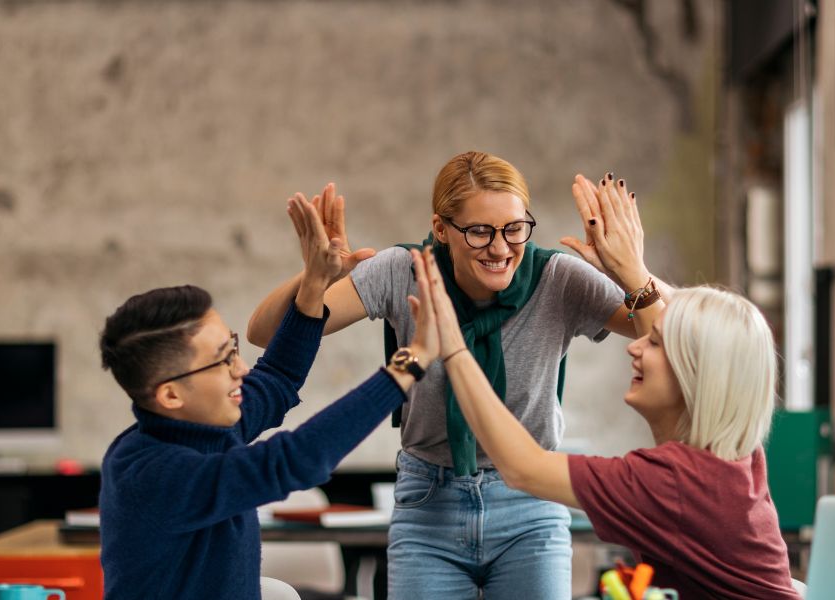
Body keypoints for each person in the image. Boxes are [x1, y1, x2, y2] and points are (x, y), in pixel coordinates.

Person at [246, 151, 665, 597]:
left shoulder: (557, 278)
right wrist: (314, 276)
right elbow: (265, 333)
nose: (501, 247)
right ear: (442, 229)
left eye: (514, 228)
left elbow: (676, 332)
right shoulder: (404, 271)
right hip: (429, 503)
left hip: (529, 501)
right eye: (480, 231)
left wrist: (632, 272)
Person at [97, 193, 439, 600]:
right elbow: (294, 460)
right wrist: (408, 364)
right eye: (222, 361)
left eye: (234, 349)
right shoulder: (150, 473)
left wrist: (314, 283)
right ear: (170, 395)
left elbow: (277, 376)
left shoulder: (208, 429)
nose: (241, 369)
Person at [411, 245, 802, 599]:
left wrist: (455, 349)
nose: (634, 346)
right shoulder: (733, 458)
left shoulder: (676, 481)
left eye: (654, 343)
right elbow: (724, 341)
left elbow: (522, 468)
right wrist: (632, 272)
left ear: (696, 373)